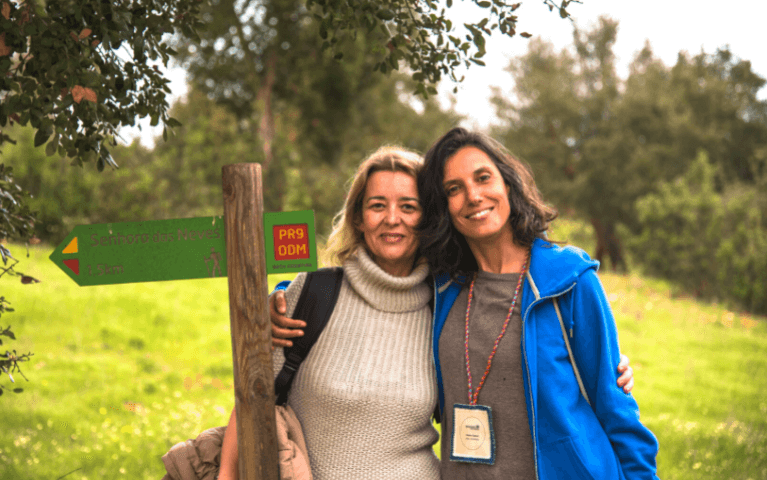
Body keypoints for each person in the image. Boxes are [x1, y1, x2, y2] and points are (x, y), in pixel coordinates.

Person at [415, 127, 659, 479]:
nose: (473, 196)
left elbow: (615, 407)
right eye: (454, 189)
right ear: (443, 206)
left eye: (483, 178)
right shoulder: (441, 289)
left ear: (507, 183)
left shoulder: (569, 279)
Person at [219, 146, 441, 480]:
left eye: (408, 207)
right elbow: (253, 398)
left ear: (428, 219)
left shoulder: (444, 308)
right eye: (377, 205)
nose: (392, 218)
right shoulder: (315, 293)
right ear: (358, 218)